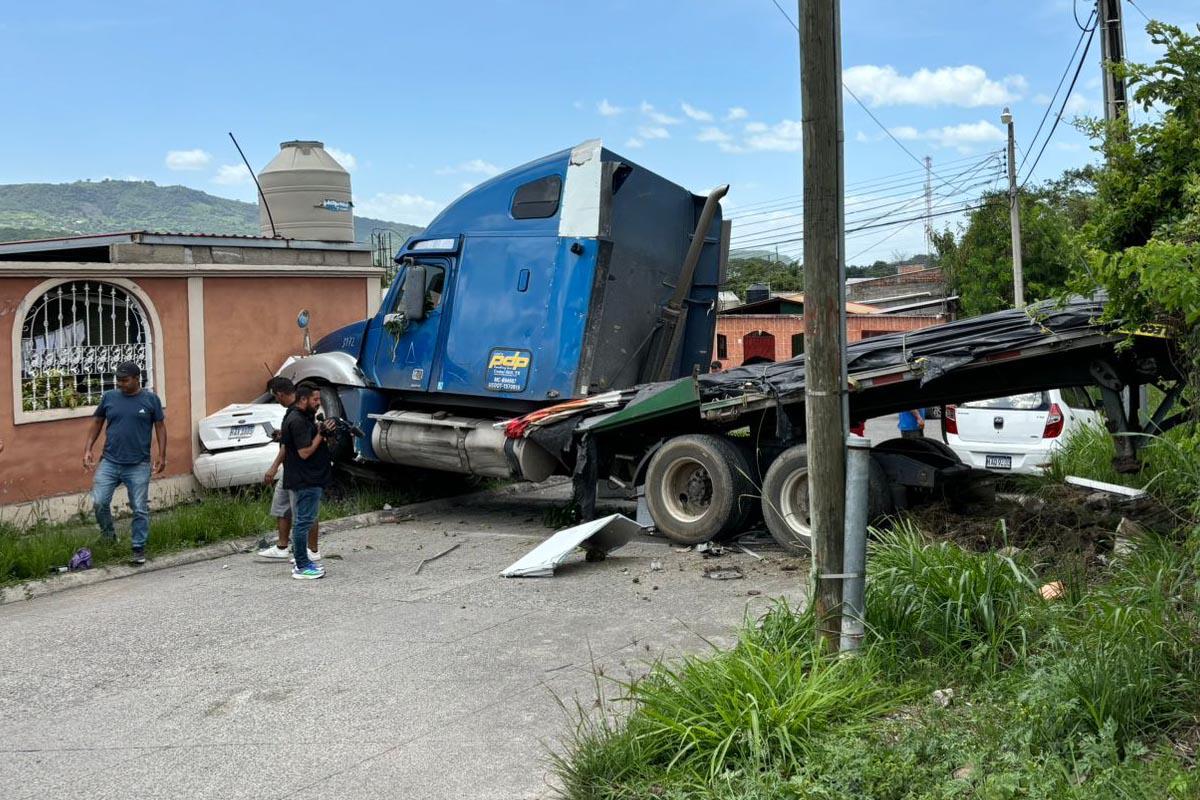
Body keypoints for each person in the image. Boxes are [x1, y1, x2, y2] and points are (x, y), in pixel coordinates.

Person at [82, 361, 166, 565]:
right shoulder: (109, 397)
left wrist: (162, 455)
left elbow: (160, 427)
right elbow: (97, 423)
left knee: (139, 507)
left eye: (124, 380)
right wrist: (88, 449)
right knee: (99, 501)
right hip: (110, 461)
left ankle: (138, 547)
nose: (120, 383)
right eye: (118, 380)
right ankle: (109, 537)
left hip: (138, 464)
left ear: (137, 379)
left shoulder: (150, 400)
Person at [256, 377, 321, 563]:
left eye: (276, 398)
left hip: (299, 470)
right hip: (290, 469)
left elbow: (294, 445)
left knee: (305, 512)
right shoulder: (294, 413)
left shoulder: (299, 412)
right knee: (281, 505)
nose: (277, 401)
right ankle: (282, 546)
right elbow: (291, 439)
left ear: (280, 394)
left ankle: (312, 550)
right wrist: (282, 434)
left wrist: (273, 466)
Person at [282, 383, 335, 580]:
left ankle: (302, 559)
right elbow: (304, 452)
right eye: (315, 399)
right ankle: (302, 566)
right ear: (303, 399)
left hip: (309, 478)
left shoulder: (303, 417)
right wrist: (320, 435)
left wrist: (322, 430)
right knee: (303, 522)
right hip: (305, 480)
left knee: (304, 521)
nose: (318, 403)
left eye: (319, 399)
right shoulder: (297, 420)